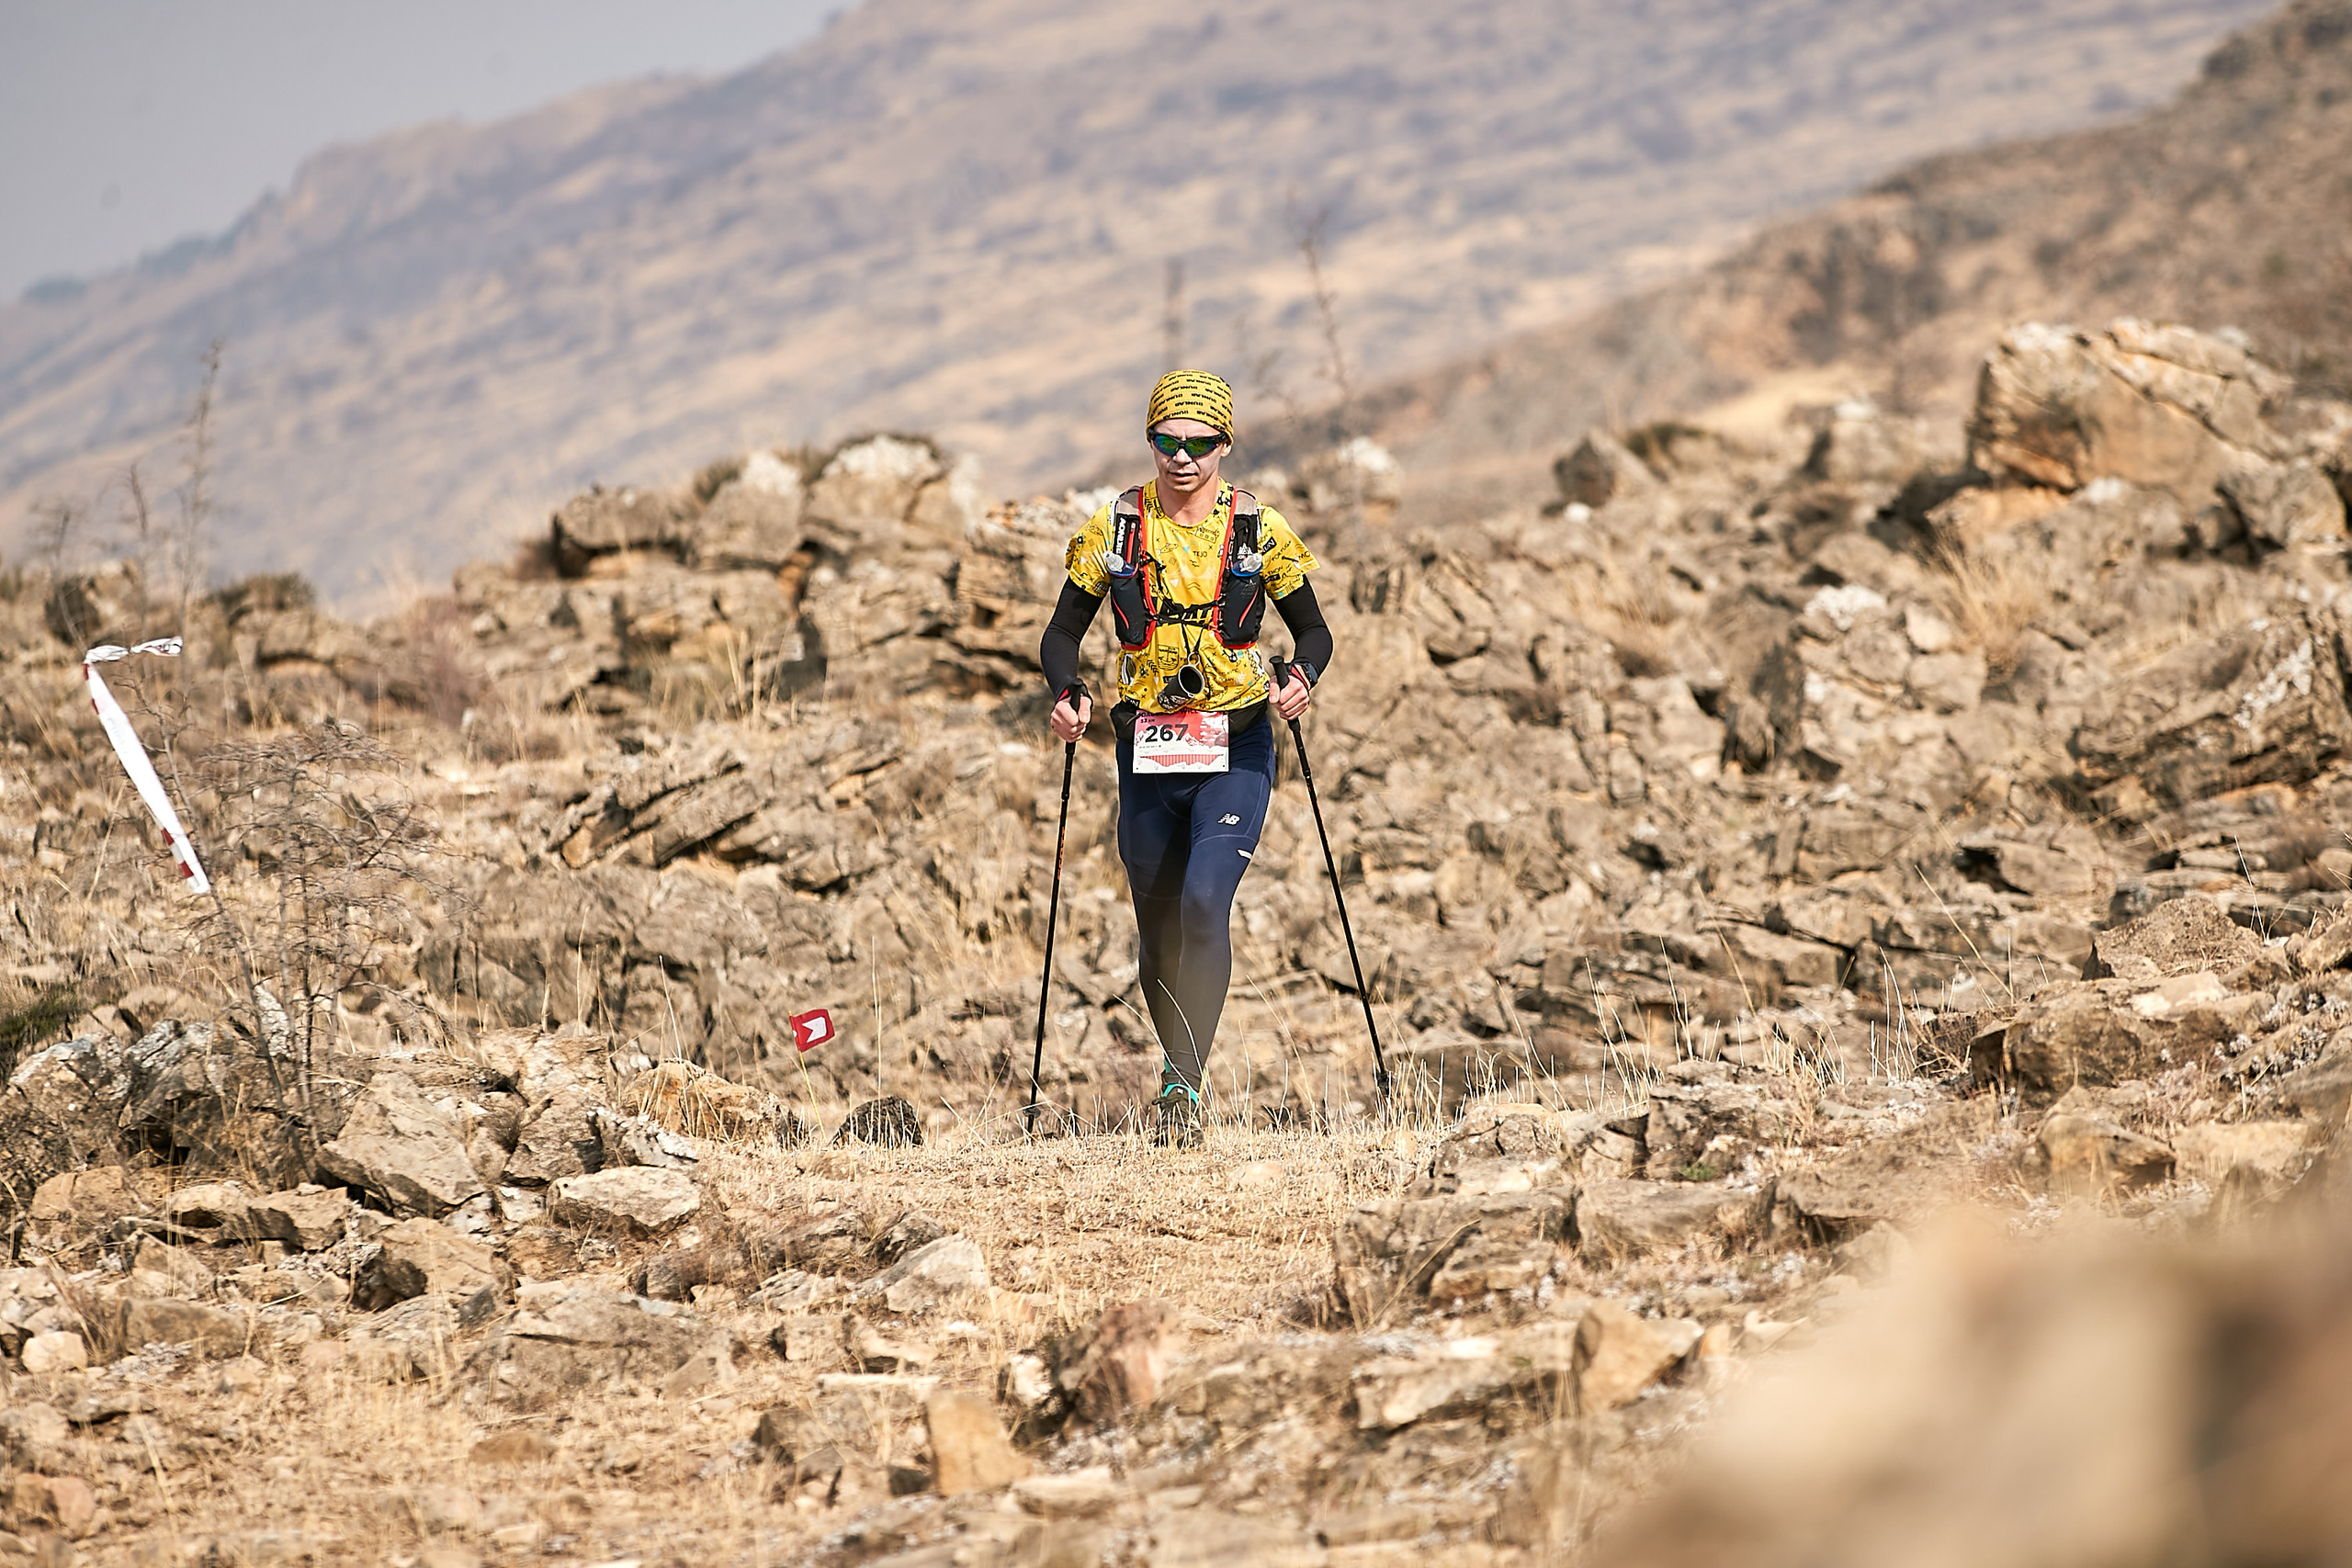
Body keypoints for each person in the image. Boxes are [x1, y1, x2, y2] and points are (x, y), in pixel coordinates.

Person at [1038, 369, 1333, 1148]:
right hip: (1147, 746)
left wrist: (1299, 679)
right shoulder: (1117, 529)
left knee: (1206, 900)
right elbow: (1061, 632)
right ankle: (1177, 1068)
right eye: (1167, 441)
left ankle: (1184, 1083)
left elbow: (1315, 632)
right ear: (1150, 441)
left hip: (1235, 740)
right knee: (1157, 925)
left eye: (1200, 444)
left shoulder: (1256, 530)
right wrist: (1068, 690)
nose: (1183, 458)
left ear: (1226, 445)